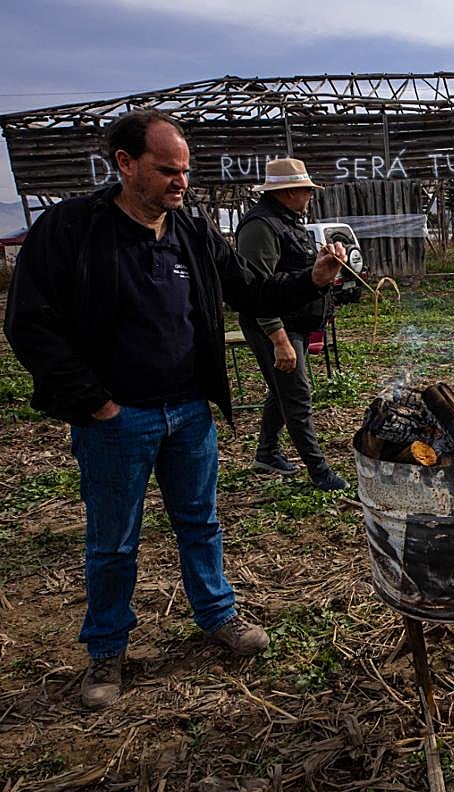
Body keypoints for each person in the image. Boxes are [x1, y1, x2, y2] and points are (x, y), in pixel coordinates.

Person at [3, 109, 345, 709]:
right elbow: (30, 327)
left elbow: (251, 290)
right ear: (126, 164)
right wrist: (97, 403)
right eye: (167, 171)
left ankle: (217, 616)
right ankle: (107, 648)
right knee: (113, 541)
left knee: (201, 522)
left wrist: (312, 279)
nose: (180, 183)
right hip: (117, 420)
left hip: (188, 412)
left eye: (184, 171)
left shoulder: (191, 230)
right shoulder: (71, 230)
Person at [236, 158, 349, 491]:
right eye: (306, 190)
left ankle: (267, 452)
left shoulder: (287, 221)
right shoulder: (260, 227)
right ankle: (319, 471)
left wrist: (323, 267)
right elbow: (256, 289)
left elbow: (292, 272)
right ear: (288, 192)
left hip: (294, 321)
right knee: (297, 396)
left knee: (282, 390)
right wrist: (279, 339)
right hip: (274, 326)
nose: (310, 196)